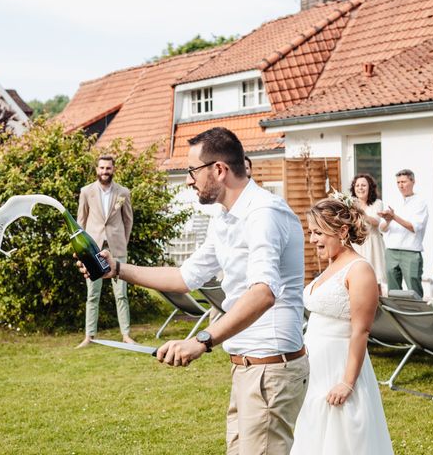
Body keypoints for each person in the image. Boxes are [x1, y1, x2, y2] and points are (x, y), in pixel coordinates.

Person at [77, 127, 308, 454]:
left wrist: (202, 341)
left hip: (270, 369)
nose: (188, 180)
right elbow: (185, 277)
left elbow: (263, 292)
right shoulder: (226, 218)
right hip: (246, 368)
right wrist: (116, 269)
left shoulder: (263, 214)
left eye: (192, 171)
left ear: (219, 170)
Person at [291, 196, 393, 455]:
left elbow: (361, 330)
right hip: (314, 365)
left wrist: (347, 382)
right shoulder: (330, 267)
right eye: (310, 233)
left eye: (318, 233)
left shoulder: (359, 270)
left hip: (340, 366)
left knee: (343, 437)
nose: (312, 240)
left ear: (342, 230)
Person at [76, 155, 134, 348]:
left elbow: (128, 220)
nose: (104, 171)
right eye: (101, 168)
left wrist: (122, 242)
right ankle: (89, 336)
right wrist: (82, 248)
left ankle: (126, 335)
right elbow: (81, 222)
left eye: (108, 168)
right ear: (96, 170)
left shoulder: (123, 192)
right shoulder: (86, 192)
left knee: (121, 294)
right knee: (92, 295)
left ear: (113, 169)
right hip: (93, 248)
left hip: (117, 248)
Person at [378, 169, 429, 297]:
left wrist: (394, 216)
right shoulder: (392, 200)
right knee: (393, 292)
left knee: (414, 290)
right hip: (391, 251)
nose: (401, 185)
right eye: (398, 182)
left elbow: (413, 227)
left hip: (410, 252)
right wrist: (388, 220)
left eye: (404, 181)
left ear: (413, 182)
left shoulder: (420, 203)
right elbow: (382, 229)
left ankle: (417, 316)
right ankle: (396, 316)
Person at [349, 173, 386, 292]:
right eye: (357, 185)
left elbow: (376, 222)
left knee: (376, 280)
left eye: (363, 185)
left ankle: (379, 307)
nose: (360, 188)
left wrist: (362, 213)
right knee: (356, 278)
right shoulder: (350, 203)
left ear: (370, 187)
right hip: (357, 244)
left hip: (373, 244)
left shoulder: (377, 203)